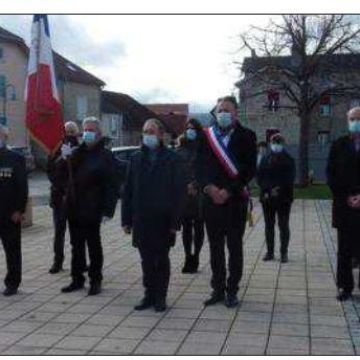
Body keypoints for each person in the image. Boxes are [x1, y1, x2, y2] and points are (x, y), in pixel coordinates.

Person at [122, 118, 186, 312]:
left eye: (151, 131)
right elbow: (128, 190)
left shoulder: (172, 158)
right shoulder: (135, 158)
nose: (148, 135)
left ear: (160, 134)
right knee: (146, 260)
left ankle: (161, 296)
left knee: (161, 259)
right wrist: (126, 219)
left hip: (163, 219)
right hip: (141, 219)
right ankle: (149, 294)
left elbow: (179, 192)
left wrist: (176, 221)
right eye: (145, 131)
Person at [199, 96, 257, 308]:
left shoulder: (248, 136)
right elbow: (197, 166)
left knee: (234, 248)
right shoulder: (206, 136)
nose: (222, 113)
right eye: (219, 110)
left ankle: (232, 290)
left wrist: (228, 191)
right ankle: (217, 289)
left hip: (234, 202)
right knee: (215, 248)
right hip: (211, 201)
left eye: (227, 110)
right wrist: (209, 187)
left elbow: (249, 169)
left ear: (235, 113)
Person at [61, 117, 118, 296]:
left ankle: (96, 279)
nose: (87, 133)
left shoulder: (105, 155)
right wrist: (63, 159)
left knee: (93, 245)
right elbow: (62, 176)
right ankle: (77, 279)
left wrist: (109, 209)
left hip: (93, 207)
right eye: (85, 130)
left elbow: (112, 184)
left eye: (91, 130)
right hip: (74, 206)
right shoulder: (76, 152)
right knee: (76, 245)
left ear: (99, 134)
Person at [326, 106, 360, 301]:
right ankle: (344, 286)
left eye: (358, 118)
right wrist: (346, 195)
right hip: (344, 204)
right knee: (344, 250)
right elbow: (331, 173)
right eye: (353, 119)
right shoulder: (338, 144)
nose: (356, 122)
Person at [47, 121, 80, 274]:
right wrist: (62, 158)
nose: (70, 135)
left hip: (75, 198)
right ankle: (57, 261)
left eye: (73, 132)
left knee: (77, 234)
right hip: (59, 198)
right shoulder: (55, 149)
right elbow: (50, 171)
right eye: (67, 132)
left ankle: (80, 261)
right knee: (59, 232)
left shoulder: (81, 149)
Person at [257, 133, 296, 263]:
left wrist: (277, 189)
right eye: (274, 141)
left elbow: (289, 179)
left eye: (279, 142)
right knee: (269, 225)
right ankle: (270, 252)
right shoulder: (265, 158)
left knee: (283, 225)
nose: (276, 144)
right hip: (267, 198)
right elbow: (260, 177)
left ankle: (283, 253)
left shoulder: (289, 159)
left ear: (283, 143)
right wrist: (268, 189)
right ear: (270, 143)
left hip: (283, 198)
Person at [0, 124, 28, 296]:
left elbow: (22, 187)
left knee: (12, 250)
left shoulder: (15, 158)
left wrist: (19, 210)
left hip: (9, 214)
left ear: (5, 137)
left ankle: (13, 282)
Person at [176, 118, 205, 273]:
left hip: (200, 193)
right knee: (186, 228)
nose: (190, 130)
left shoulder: (204, 148)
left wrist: (196, 184)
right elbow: (176, 173)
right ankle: (188, 257)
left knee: (199, 227)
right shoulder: (180, 149)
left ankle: (196, 256)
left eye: (193, 128)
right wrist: (185, 185)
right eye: (188, 128)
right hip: (184, 194)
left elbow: (207, 170)